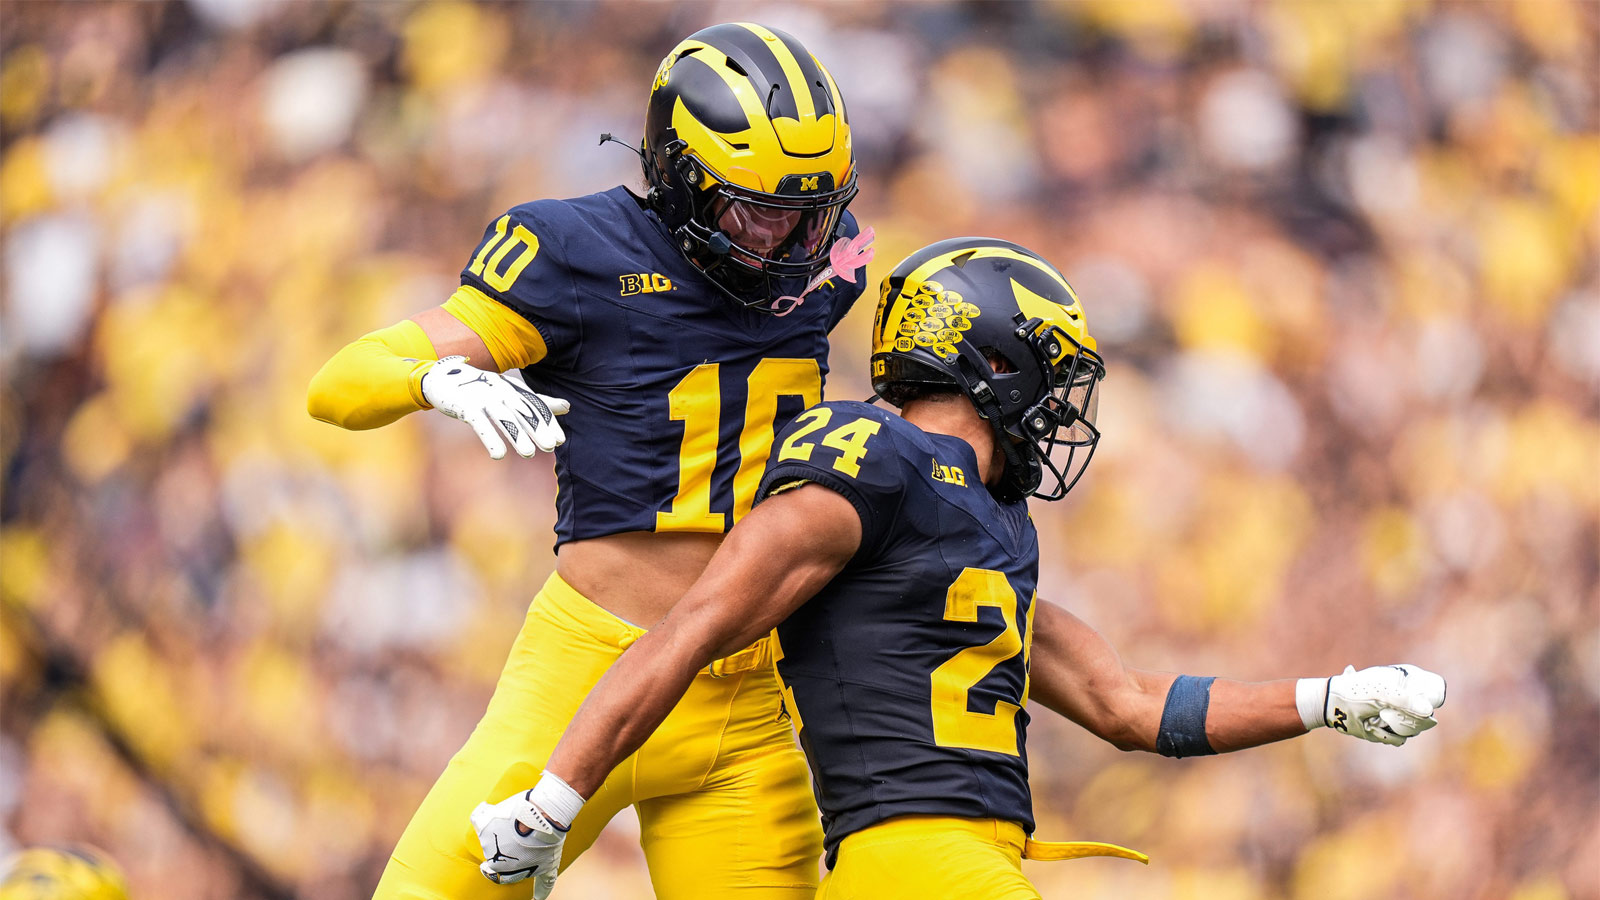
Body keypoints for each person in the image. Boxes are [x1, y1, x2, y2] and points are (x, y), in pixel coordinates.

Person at [468, 238, 1448, 899]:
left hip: (957, 867)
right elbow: (690, 628)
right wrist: (558, 798)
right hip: (918, 863)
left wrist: (1331, 697)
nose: (1062, 413)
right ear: (994, 365)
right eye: (1053, 380)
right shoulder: (869, 463)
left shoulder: (977, 519)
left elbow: (1128, 703)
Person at [306, 23, 874, 900]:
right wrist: (439, 381)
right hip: (583, 677)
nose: (793, 243)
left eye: (814, 213)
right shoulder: (575, 253)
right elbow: (338, 385)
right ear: (683, 177)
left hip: (748, 701)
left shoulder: (833, 264)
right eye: (762, 212)